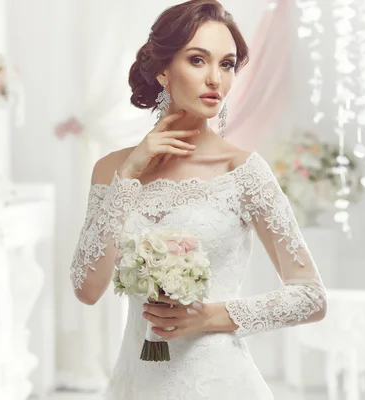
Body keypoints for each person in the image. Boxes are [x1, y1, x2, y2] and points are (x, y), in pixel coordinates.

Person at [70, 1, 327, 398]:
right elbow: (86, 289)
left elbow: (311, 297)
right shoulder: (112, 170)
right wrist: (130, 174)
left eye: (226, 64)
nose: (215, 79)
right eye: (197, 60)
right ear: (162, 71)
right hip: (137, 382)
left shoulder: (243, 172)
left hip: (219, 381)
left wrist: (210, 315)